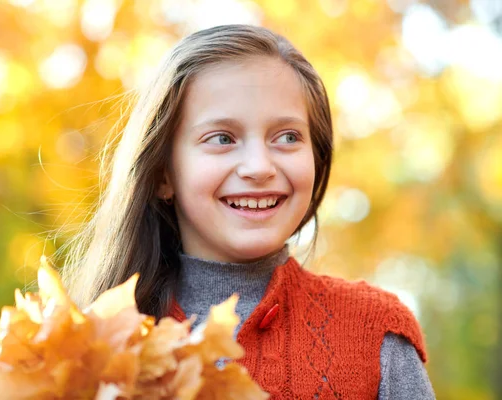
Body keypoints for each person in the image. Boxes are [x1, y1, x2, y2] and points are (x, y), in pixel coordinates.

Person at [60, 24, 436, 399]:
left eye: (287, 137)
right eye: (222, 138)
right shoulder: (83, 350)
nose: (259, 166)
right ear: (163, 174)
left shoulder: (376, 336)